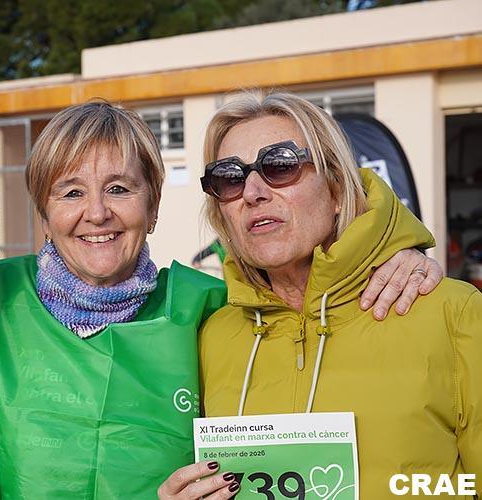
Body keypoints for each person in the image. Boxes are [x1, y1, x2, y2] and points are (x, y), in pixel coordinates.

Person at [0, 101, 443, 499]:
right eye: (71, 192)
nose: (97, 213)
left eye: (119, 188)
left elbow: (309, 302)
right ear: (44, 212)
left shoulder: (209, 306)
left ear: (153, 205)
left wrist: (399, 254)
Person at [159, 90, 481, 499]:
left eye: (280, 165)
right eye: (230, 177)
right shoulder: (210, 337)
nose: (253, 192)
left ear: (337, 189)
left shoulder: (452, 314)